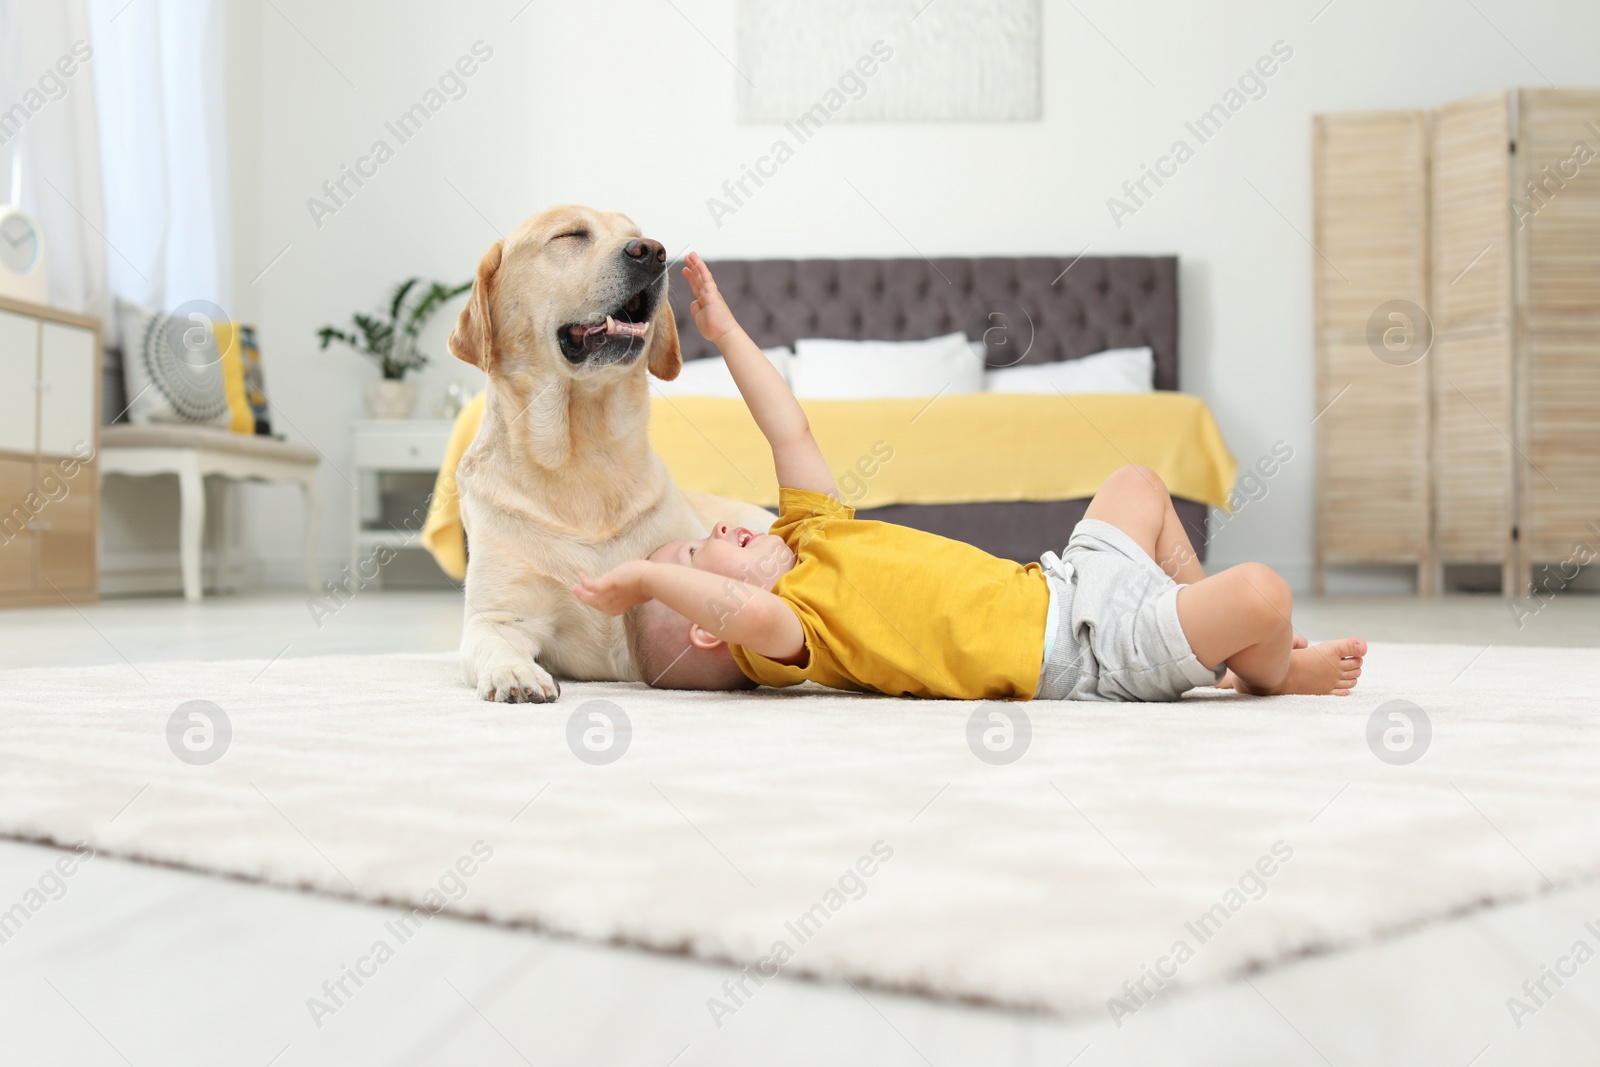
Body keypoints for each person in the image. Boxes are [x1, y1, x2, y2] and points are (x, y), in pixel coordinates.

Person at [573, 253, 1366, 701]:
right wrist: (645, 575)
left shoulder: (809, 535)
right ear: (716, 628)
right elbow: (739, 604)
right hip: (1082, 655)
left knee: (1137, 480)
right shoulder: (799, 634)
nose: (711, 528)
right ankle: (1268, 670)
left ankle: (1210, 638)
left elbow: (789, 427)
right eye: (691, 554)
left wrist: (729, 332)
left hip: (1063, 582)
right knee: (1263, 592)